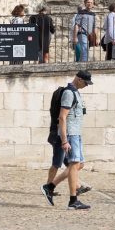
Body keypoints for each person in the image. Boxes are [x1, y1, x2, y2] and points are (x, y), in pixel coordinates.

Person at [45, 68, 91, 208]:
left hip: (76, 133)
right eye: (86, 83)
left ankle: (50, 186)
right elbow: (62, 117)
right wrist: (64, 140)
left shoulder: (76, 92)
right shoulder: (68, 93)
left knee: (78, 164)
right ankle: (73, 200)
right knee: (72, 164)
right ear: (79, 79)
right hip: (70, 134)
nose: (87, 85)